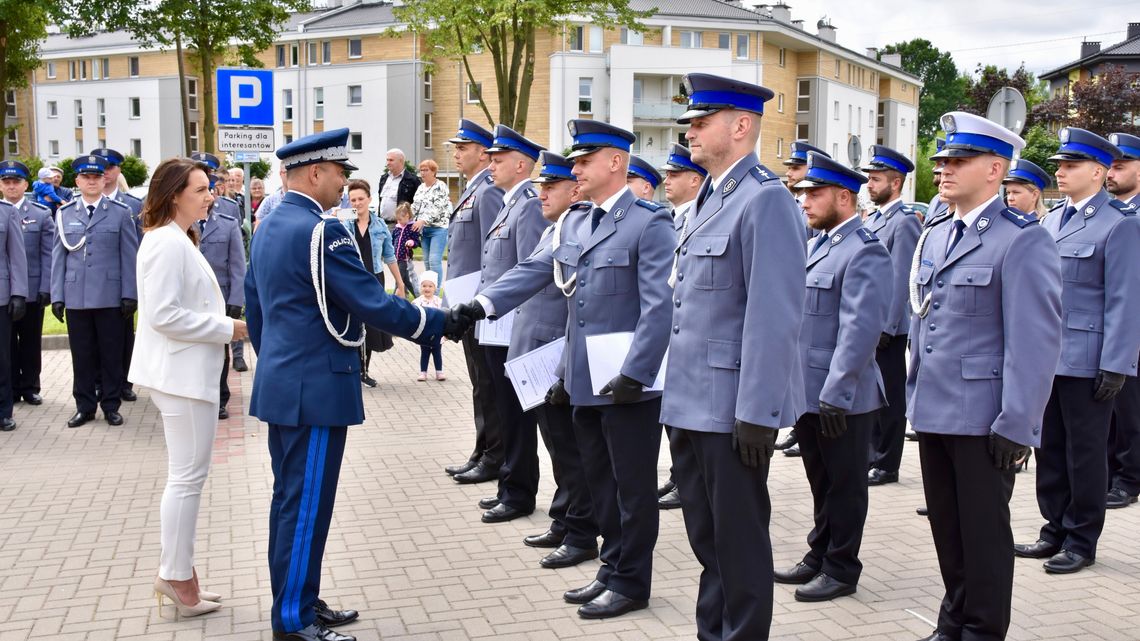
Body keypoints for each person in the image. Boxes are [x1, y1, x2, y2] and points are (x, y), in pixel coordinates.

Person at [245, 128, 467, 641]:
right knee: (306, 508)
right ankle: (294, 621)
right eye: (341, 174)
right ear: (315, 173)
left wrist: (278, 361)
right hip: (318, 388)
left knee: (292, 502)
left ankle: (298, 599)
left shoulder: (270, 223)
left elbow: (255, 309)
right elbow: (370, 301)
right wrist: (437, 322)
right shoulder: (325, 231)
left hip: (285, 383)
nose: (345, 184)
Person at [457, 118, 674, 620]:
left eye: (584, 160)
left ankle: (632, 582)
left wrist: (636, 372)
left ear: (616, 162)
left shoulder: (650, 221)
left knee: (631, 487)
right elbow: (533, 271)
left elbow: (660, 306)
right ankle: (610, 569)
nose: (574, 168)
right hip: (581, 378)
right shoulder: (574, 221)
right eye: (573, 161)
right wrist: (481, 306)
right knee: (598, 480)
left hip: (628, 383)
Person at [660, 73, 805, 639]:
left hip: (731, 409)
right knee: (707, 540)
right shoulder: (707, 198)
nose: (690, 133)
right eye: (691, 123)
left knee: (739, 545)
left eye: (701, 122)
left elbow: (774, 316)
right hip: (690, 401)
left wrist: (758, 411)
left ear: (740, 126)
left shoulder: (765, 199)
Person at [910, 112, 1062, 641]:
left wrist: (1018, 423)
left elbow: (1035, 341)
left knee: (983, 536)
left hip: (985, 418)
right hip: (935, 408)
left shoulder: (1021, 239)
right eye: (942, 160)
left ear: (996, 168)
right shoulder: (934, 234)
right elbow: (924, 320)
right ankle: (954, 622)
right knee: (948, 533)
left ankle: (982, 629)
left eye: (959, 160)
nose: (945, 169)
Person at [1015, 128, 1140, 575]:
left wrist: (1116, 364)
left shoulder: (1120, 223)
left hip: (1088, 361)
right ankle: (1054, 530)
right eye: (1060, 165)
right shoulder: (1050, 222)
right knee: (1049, 448)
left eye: (1070, 166)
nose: (1060, 172)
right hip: (1046, 358)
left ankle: (1082, 539)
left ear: (1099, 172)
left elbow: (1126, 300)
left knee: (1085, 454)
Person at [128, 157, 247, 619]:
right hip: (179, 376)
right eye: (200, 189)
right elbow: (162, 315)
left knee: (188, 479)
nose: (209, 195)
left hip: (187, 374)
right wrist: (227, 328)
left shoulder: (176, 238)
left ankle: (182, 573)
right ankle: (176, 576)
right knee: (185, 480)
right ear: (175, 194)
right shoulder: (164, 242)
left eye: (208, 188)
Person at [775, 152, 891, 603]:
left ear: (844, 197)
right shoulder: (817, 243)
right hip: (808, 389)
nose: (804, 200)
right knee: (820, 481)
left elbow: (860, 331)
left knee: (845, 485)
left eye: (814, 193)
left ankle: (842, 568)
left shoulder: (864, 249)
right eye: (802, 192)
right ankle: (819, 553)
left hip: (843, 395)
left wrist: (837, 393)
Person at [514, 150, 599, 569]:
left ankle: (582, 531)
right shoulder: (558, 227)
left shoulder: (578, 228)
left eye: (551, 187)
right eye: (541, 186)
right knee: (558, 448)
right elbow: (529, 271)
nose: (541, 195)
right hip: (543, 357)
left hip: (562, 357)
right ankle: (565, 518)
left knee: (572, 450)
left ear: (575, 189)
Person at [469, 124, 548, 523]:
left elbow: (529, 273)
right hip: (494, 325)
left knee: (516, 417)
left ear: (521, 165)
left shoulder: (530, 204)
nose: (490, 163)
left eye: (498, 160)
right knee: (503, 409)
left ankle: (518, 493)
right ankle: (508, 484)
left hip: (511, 328)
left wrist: (517, 329)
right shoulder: (506, 202)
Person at [51, 155, 139, 428]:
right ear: (77, 181)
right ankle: (85, 406)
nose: (91, 181)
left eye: (96, 177)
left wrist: (130, 294)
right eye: (86, 178)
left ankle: (111, 405)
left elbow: (129, 255)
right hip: (77, 296)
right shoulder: (65, 214)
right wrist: (57, 296)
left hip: (110, 296)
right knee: (82, 355)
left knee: (111, 354)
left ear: (104, 180)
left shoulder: (120, 212)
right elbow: (58, 258)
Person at [443, 120, 507, 484]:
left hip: (481, 305)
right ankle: (483, 450)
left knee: (487, 383)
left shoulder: (488, 192)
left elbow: (493, 252)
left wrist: (481, 302)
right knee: (479, 382)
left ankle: (492, 455)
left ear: (483, 153)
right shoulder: (475, 190)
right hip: (467, 301)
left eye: (463, 147)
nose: (456, 152)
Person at [861, 145, 922, 487]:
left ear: (895, 183)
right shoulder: (876, 218)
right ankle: (871, 455)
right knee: (872, 393)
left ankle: (887, 463)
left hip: (889, 327)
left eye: (876, 179)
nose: (870, 184)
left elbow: (901, 278)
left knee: (890, 397)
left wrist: (887, 324)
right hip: (871, 322)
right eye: (869, 178)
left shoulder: (903, 223)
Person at [654, 143, 707, 511]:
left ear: (695, 179)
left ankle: (685, 480)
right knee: (676, 424)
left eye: (674, 174)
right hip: (671, 334)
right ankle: (679, 478)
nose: (666, 181)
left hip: (694, 341)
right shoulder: (671, 219)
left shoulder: (696, 218)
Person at [778, 141, 831, 458]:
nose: (789, 174)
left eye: (796, 168)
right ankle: (800, 426)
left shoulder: (811, 214)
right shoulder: (793, 205)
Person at [191, 153, 247, 421]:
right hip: (191, 298)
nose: (208, 197)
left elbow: (238, 265)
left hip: (220, 297)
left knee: (218, 351)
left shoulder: (228, 223)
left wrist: (237, 299)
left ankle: (220, 397)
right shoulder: (181, 222)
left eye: (210, 190)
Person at [92, 148, 145, 404]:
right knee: (93, 341)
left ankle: (124, 382)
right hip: (95, 284)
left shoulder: (133, 205)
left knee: (124, 336)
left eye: (111, 167)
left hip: (124, 281)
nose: (107, 173)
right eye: (102, 169)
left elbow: (142, 246)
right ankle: (98, 383)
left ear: (118, 170)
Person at [1105, 132, 1140, 509]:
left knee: (1131, 409)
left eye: (1120, 166)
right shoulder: (1110, 214)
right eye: (1109, 166)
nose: (1111, 174)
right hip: (1111, 327)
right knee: (1111, 410)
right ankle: (1113, 473)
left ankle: (1129, 480)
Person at [344, 179, 406, 388]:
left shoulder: (379, 225)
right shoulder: (344, 223)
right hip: (351, 281)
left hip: (373, 279)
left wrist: (400, 283)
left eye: (361, 199)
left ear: (369, 199)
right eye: (353, 200)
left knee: (369, 327)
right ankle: (351, 370)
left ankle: (364, 371)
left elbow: (389, 256)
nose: (357, 203)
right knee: (351, 325)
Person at [1, 160, 53, 408]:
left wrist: (46, 287)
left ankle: (30, 386)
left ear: (26, 185)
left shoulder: (40, 214)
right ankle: (10, 387)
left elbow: (47, 254)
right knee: (6, 343)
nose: (11, 187)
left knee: (31, 340)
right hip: (4, 291)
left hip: (32, 289)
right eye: (6, 182)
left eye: (16, 182)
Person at [0, 188, 26, 432]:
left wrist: (18, 293)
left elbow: (16, 256)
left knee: (2, 359)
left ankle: (3, 412)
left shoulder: (6, 213)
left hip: (1, 297)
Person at [410, 159, 450, 281]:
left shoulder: (441, 186)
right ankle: (429, 290)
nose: (423, 173)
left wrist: (423, 220)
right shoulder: (421, 187)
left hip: (438, 228)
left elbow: (438, 207)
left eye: (426, 170)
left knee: (434, 260)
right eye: (421, 170)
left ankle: (436, 292)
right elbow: (415, 206)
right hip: (424, 230)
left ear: (433, 172)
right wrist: (407, 216)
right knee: (427, 262)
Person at [412, 271, 444, 381]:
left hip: (437, 333)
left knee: (437, 352)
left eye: (430, 286)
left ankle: (439, 372)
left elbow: (444, 316)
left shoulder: (439, 302)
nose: (427, 288)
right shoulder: (418, 302)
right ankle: (423, 372)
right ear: (420, 287)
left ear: (435, 288)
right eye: (424, 286)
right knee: (424, 352)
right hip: (424, 333)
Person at [376, 148, 421, 225]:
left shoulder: (412, 180)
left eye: (391, 160)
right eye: (387, 160)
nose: (387, 163)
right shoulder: (383, 178)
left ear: (401, 161)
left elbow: (419, 204)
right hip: (382, 224)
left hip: (401, 225)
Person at [393, 203, 421, 297]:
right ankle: (418, 297)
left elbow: (416, 242)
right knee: (405, 281)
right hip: (396, 258)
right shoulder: (397, 228)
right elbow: (393, 241)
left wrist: (411, 242)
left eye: (400, 219)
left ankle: (393, 298)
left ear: (407, 216)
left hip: (404, 259)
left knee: (399, 279)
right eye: (397, 219)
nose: (398, 221)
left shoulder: (413, 227)